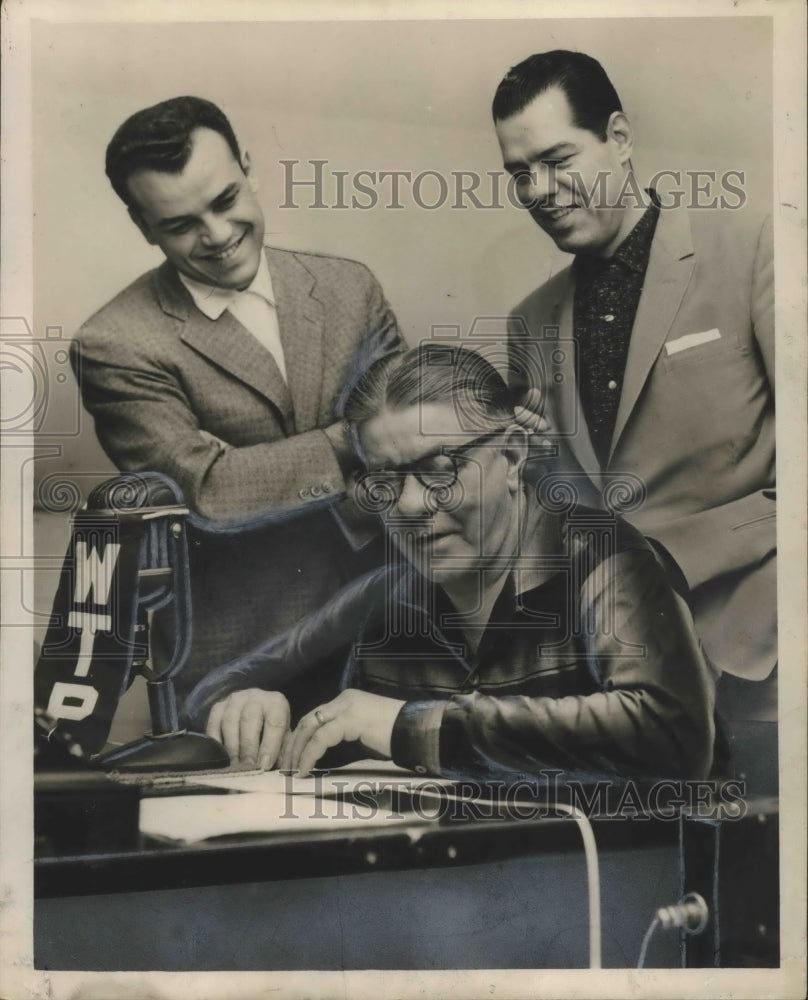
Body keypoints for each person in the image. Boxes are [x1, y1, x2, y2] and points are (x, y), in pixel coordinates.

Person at [185, 346, 717, 783]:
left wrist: (410, 727)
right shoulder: (383, 597)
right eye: (385, 481)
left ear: (511, 457)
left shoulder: (600, 554)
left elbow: (669, 734)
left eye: (441, 469)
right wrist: (241, 705)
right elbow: (213, 690)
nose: (412, 506)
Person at [491, 51, 775, 791]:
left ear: (618, 136)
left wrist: (683, 555)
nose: (539, 191)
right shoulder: (529, 324)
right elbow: (568, 522)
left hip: (765, 663)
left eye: (557, 159)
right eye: (520, 173)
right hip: (628, 691)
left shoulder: (753, 249)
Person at [71, 96, 404, 698]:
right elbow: (207, 493)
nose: (218, 236)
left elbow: (413, 438)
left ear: (247, 167)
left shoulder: (351, 287)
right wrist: (356, 439)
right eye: (180, 224)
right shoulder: (114, 343)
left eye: (225, 201)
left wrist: (251, 468)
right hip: (236, 667)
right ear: (142, 225)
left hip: (396, 634)